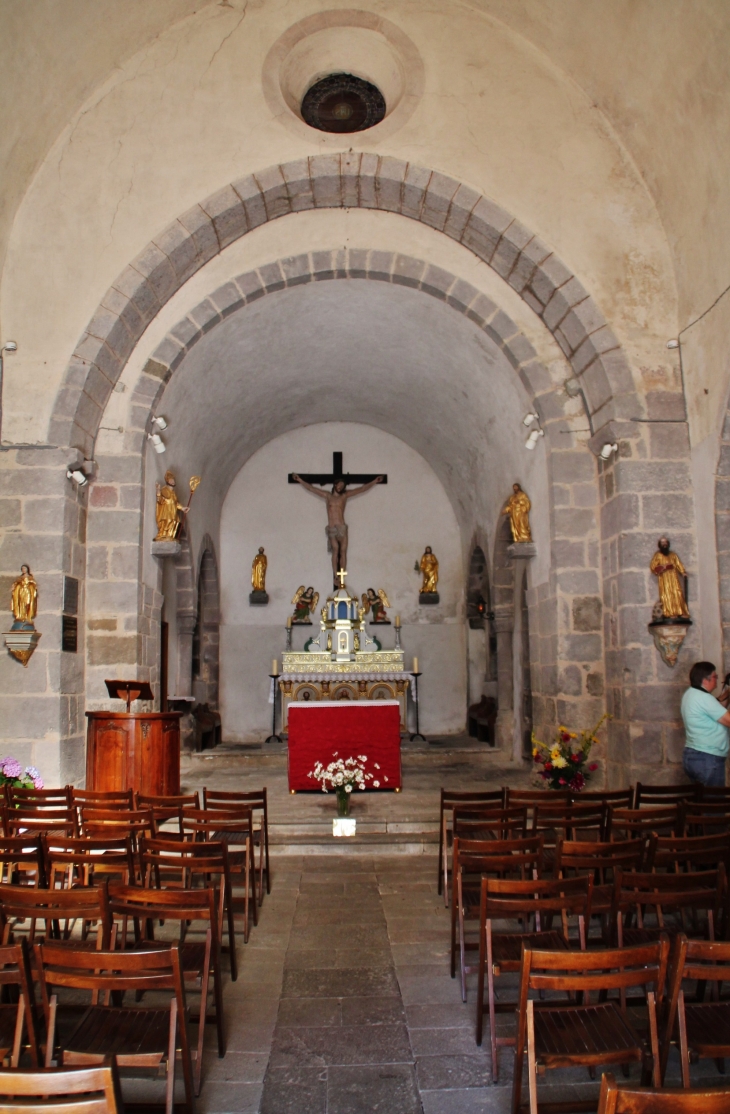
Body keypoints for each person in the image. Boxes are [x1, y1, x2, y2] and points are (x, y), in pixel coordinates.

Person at [680, 661, 730, 787]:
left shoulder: (690, 693)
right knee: (713, 804)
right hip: (708, 758)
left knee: (701, 801)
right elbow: (728, 720)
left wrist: (727, 694)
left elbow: (717, 711)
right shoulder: (704, 698)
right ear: (706, 679)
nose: (717, 680)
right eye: (715, 677)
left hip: (694, 756)